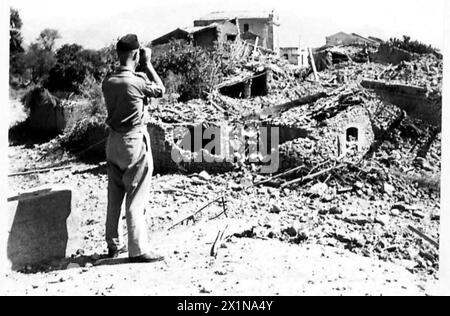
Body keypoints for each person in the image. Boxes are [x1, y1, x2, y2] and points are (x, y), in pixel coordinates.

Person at [102, 34, 166, 263]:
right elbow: (161, 90)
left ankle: (112, 244)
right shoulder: (137, 81)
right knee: (135, 198)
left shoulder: (108, 81)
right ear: (136, 54)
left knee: (114, 197)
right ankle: (138, 249)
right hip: (133, 142)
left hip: (113, 143)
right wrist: (147, 64)